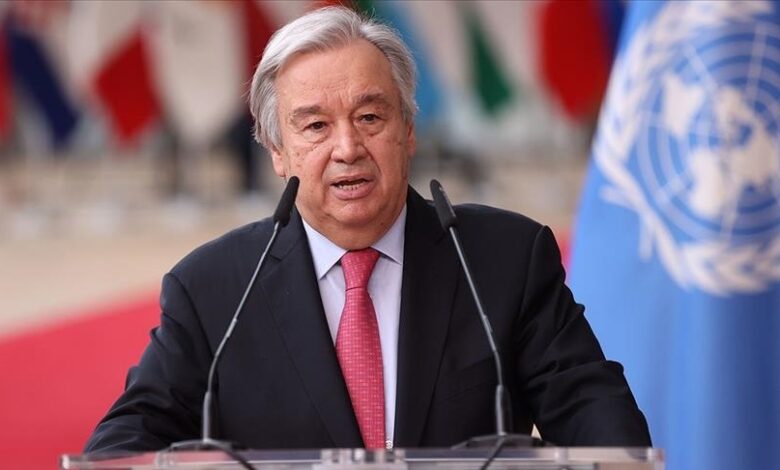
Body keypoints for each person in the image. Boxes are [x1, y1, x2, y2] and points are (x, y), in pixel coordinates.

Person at [85, 6, 650, 453]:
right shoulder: (213, 289)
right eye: (315, 126)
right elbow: (125, 441)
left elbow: (596, 416)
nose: (348, 148)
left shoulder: (503, 261)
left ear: (409, 130)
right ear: (277, 150)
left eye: (370, 117)